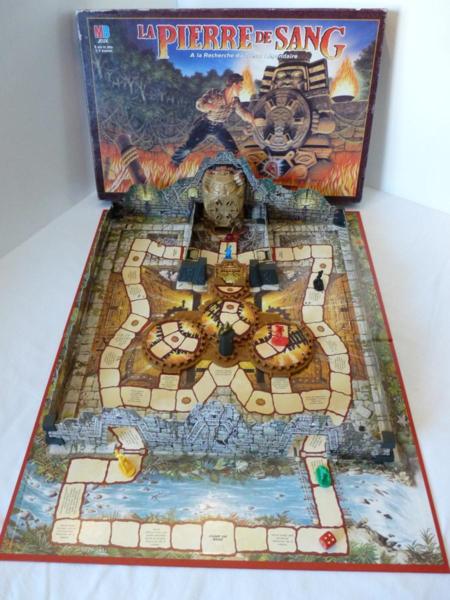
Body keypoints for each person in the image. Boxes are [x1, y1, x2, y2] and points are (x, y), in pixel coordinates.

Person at [171, 73, 254, 166]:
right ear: (234, 84)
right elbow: (199, 103)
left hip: (219, 128)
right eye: (240, 85)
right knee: (188, 148)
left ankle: (234, 168)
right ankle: (173, 164)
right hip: (204, 125)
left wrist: (253, 120)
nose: (241, 88)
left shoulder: (235, 101)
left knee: (234, 151)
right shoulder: (214, 93)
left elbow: (243, 113)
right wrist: (208, 106)